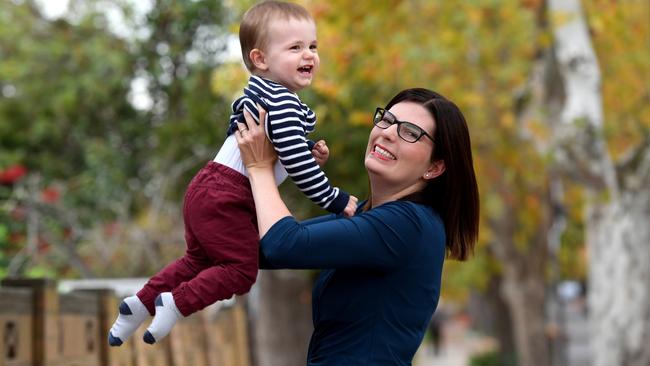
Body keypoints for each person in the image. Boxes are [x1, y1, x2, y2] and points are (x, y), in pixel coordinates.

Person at [108, 0, 357, 346]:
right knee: (241, 271)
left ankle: (138, 305)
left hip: (206, 187)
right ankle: (175, 303)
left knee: (199, 260)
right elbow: (295, 168)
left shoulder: (262, 94)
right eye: (295, 47)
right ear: (261, 59)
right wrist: (336, 199)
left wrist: (307, 153)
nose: (309, 55)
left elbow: (280, 156)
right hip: (229, 193)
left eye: (312, 46)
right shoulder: (282, 101)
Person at [235, 87, 480, 365]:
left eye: (410, 132)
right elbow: (261, 250)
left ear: (434, 167)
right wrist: (284, 168)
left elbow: (283, 245)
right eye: (386, 119)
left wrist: (258, 168)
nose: (387, 132)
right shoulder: (364, 214)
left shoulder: (409, 224)